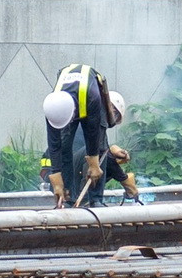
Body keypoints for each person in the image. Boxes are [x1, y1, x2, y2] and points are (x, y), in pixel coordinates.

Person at [42, 65, 128, 208]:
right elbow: (55, 144)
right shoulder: (53, 106)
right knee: (64, 145)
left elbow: (93, 134)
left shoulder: (93, 98)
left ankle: (96, 199)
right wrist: (56, 178)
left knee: (100, 146)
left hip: (89, 96)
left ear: (73, 112)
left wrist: (94, 163)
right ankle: (68, 197)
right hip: (71, 98)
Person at [40, 140, 137, 205]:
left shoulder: (92, 132)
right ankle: (89, 200)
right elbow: (45, 173)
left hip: (82, 181)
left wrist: (112, 153)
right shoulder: (66, 132)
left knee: (101, 152)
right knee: (95, 150)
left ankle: (92, 199)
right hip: (66, 188)